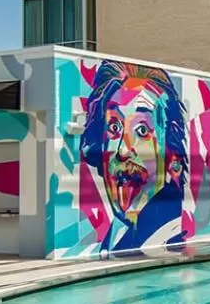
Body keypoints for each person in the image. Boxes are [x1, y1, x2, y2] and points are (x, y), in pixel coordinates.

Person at [79, 61, 189, 254]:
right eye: (114, 128)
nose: (123, 151)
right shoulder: (113, 241)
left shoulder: (167, 243)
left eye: (142, 130)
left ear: (173, 157)